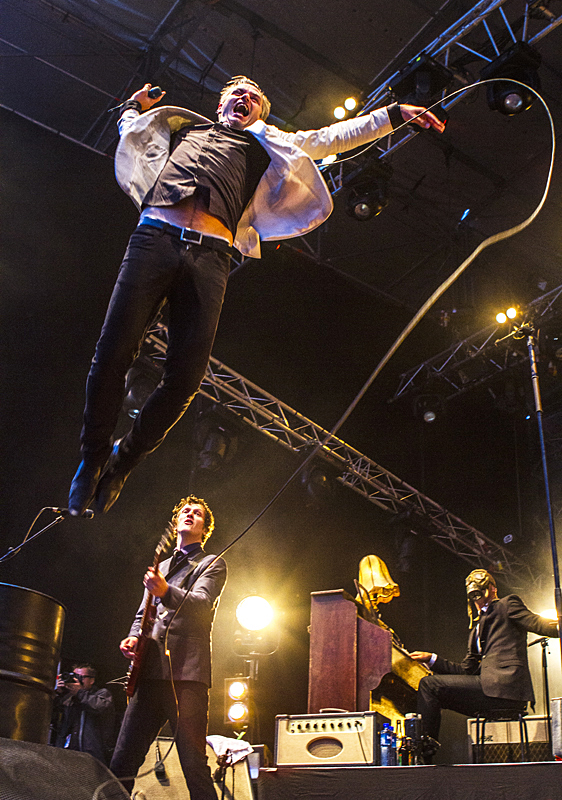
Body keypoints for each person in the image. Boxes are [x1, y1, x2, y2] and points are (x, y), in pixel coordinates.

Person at [68, 75, 445, 517]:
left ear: (259, 115)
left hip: (211, 255)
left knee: (185, 380)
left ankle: (123, 460)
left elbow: (329, 137)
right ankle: (92, 457)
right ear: (222, 104)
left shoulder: (265, 144)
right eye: (238, 95)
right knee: (112, 354)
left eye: (255, 100)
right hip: (155, 238)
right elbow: (131, 131)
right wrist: (132, 105)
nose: (245, 100)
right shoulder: (183, 129)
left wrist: (394, 114)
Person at [109, 495, 227, 800]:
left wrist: (165, 590)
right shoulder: (159, 565)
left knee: (193, 764)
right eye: (185, 511)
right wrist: (134, 637)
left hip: (186, 675)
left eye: (197, 513)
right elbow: (143, 614)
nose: (189, 514)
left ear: (204, 527)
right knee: (122, 760)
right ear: (176, 522)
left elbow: (201, 604)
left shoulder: (211, 563)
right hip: (149, 673)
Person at [410, 569, 559, 750]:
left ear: (492, 589)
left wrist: (557, 625)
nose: (477, 598)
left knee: (430, 685)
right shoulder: (476, 630)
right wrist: (432, 659)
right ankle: (425, 751)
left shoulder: (507, 604)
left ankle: (424, 748)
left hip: (505, 688)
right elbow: (466, 671)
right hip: (488, 689)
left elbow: (537, 623)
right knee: (429, 690)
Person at [52, 663, 115, 764]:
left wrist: (79, 692)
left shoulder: (102, 694)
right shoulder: (68, 697)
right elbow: (52, 716)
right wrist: (58, 693)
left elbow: (100, 707)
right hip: (67, 753)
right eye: (73, 676)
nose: (75, 680)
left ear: (91, 680)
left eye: (80, 677)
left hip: (92, 755)